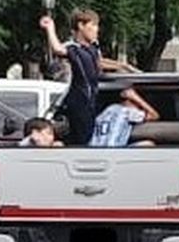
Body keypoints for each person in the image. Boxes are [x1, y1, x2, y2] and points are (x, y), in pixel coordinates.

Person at [39, 9, 135, 145]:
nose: (97, 29)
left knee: (90, 135)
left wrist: (123, 66)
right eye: (93, 25)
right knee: (82, 139)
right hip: (79, 101)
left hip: (91, 101)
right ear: (81, 26)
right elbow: (58, 49)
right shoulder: (73, 47)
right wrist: (50, 28)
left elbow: (98, 63)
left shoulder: (92, 48)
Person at [89, 86, 160, 147]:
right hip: (114, 151)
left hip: (94, 149)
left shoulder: (109, 110)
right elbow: (154, 115)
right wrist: (135, 97)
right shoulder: (126, 112)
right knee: (149, 144)